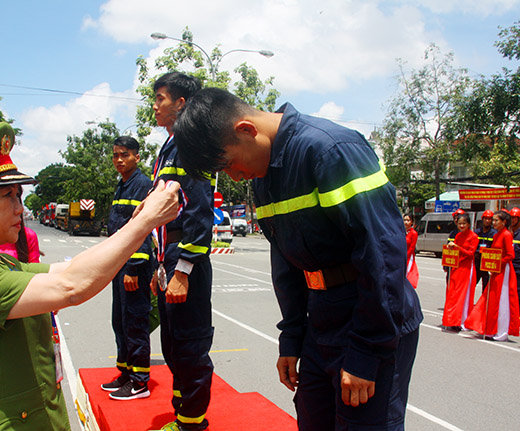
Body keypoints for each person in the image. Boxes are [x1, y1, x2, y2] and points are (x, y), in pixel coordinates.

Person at [173, 88, 423, 431]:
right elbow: (287, 260)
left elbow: (383, 254)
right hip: (319, 319)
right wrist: (291, 336)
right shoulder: (264, 175)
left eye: (229, 163)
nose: (236, 175)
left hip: (369, 319)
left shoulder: (330, 150)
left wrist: (367, 351)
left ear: (247, 130)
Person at [0, 122, 181, 431]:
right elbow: (71, 287)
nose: (20, 208)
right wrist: (148, 220)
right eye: (8, 196)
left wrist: (141, 221)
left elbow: (72, 270)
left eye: (20, 196)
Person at [149, 72, 214, 431]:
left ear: (181, 104)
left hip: (185, 258)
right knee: (172, 345)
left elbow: (198, 210)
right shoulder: (170, 146)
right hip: (169, 256)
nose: (155, 105)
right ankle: (181, 415)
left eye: (161, 98)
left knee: (189, 346)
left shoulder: (190, 145)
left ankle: (192, 423)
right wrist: (160, 265)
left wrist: (182, 270)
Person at [101, 136, 154, 400]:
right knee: (120, 321)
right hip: (119, 262)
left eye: (125, 155)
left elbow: (142, 228)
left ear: (137, 157)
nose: (119, 160)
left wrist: (133, 267)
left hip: (134, 265)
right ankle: (125, 372)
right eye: (115, 155)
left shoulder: (142, 185)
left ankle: (140, 381)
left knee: (135, 321)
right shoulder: (123, 185)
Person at [464, 211, 520, 341]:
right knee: (492, 299)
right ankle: (490, 328)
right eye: (493, 220)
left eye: (496, 220)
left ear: (504, 222)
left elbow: (510, 255)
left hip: (504, 271)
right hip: (495, 271)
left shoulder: (506, 235)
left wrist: (497, 265)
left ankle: (501, 331)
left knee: (502, 300)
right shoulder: (497, 235)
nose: (493, 223)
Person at [441, 213, 478, 331]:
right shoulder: (458, 236)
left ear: (469, 224)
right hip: (456, 268)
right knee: (453, 295)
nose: (461, 225)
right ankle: (452, 320)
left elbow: (471, 254)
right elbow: (453, 253)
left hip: (467, 269)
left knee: (464, 296)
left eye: (464, 223)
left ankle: (463, 321)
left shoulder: (474, 237)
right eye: (459, 223)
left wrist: (457, 247)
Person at [474, 210, 497, 293]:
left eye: (489, 219)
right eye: (485, 218)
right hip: (477, 261)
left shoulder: (494, 233)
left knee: (486, 285)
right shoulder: (477, 232)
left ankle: (484, 304)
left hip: (488, 262)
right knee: (472, 283)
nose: (487, 221)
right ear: (482, 219)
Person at [509, 207, 520, 316]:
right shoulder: (509, 232)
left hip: (518, 267)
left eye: (514, 218)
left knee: (518, 291)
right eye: (511, 218)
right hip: (509, 266)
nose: (512, 220)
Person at [403, 214, 419, 289]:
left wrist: (406, 256)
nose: (406, 222)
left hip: (409, 256)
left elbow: (412, 248)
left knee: (408, 272)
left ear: (412, 222)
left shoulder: (414, 233)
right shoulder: (402, 232)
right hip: (402, 255)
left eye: (408, 220)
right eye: (404, 220)